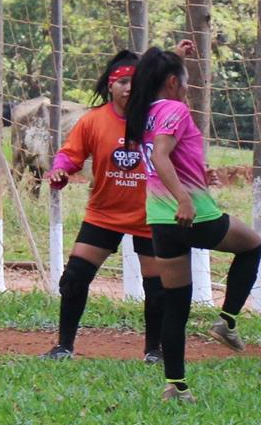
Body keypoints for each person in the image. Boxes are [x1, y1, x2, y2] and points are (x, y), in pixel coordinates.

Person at [124, 45, 261, 403]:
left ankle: (176, 385)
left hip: (158, 218)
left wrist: (176, 56)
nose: (187, 88)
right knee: (252, 244)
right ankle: (227, 320)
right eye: (185, 81)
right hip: (192, 213)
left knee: (177, 304)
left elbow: (153, 73)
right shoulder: (175, 108)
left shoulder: (143, 112)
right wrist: (185, 198)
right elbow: (160, 154)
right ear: (172, 83)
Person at [41, 48, 167, 363]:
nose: (128, 88)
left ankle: (154, 351)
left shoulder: (158, 118)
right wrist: (59, 171)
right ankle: (64, 347)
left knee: (158, 289)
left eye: (135, 82)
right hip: (104, 215)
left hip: (150, 216)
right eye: (122, 81)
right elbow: (69, 156)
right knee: (74, 278)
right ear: (110, 86)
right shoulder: (93, 121)